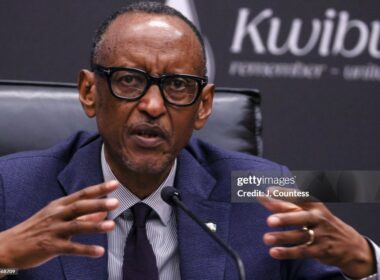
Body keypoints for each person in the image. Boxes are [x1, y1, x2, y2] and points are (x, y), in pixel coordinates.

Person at [0, 2, 378, 279]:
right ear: (88, 92)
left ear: (203, 106)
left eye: (177, 86)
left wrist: (364, 261)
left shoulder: (260, 188)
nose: (152, 105)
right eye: (129, 80)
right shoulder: (13, 188)